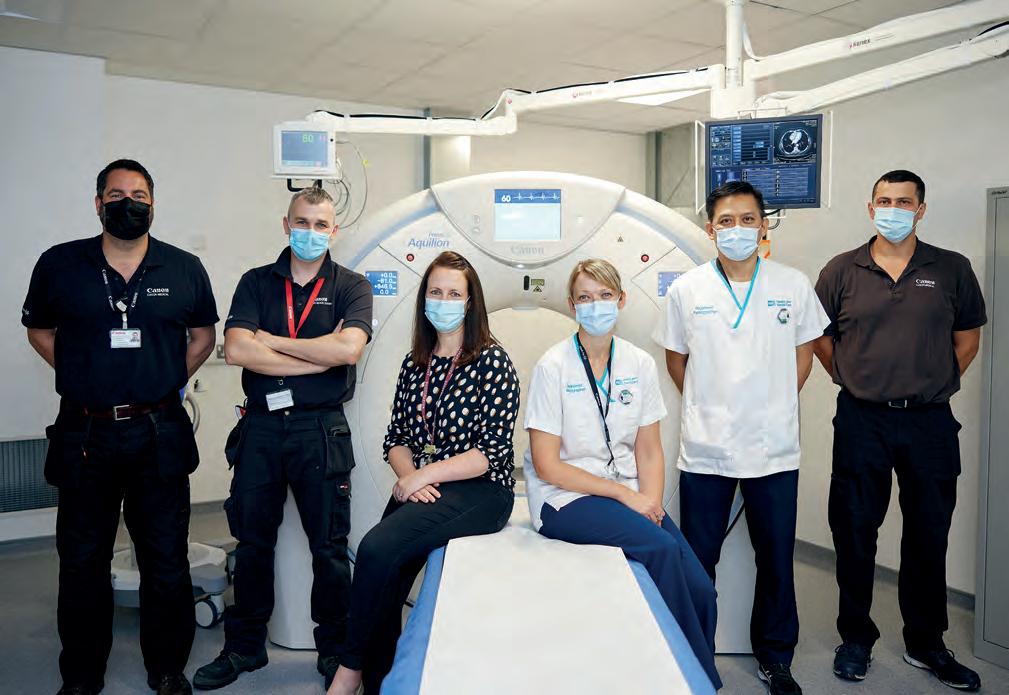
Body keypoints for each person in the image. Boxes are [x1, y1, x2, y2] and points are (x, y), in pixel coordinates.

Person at [22, 159, 218, 695]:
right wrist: (82, 375)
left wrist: (163, 379)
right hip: (86, 434)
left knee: (166, 558)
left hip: (159, 432)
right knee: (82, 561)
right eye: (115, 195)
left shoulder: (184, 268)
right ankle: (82, 676)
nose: (127, 203)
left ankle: (167, 669)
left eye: (138, 195)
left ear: (153, 204)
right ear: (98, 204)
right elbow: (39, 330)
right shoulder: (60, 265)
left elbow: (203, 337)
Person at [192, 187, 372, 691]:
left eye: (321, 224)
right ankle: (244, 646)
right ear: (286, 224)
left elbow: (349, 350)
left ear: (334, 231)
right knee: (252, 542)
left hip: (320, 429)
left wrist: (271, 342)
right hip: (263, 428)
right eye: (302, 222)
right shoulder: (256, 282)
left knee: (329, 547)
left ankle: (335, 650)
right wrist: (316, 356)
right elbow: (236, 350)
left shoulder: (353, 286)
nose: (310, 232)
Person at [654, 181, 829, 695]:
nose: (738, 229)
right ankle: (694, 652)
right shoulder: (687, 290)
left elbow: (804, 352)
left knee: (775, 559)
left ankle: (776, 659)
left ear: (763, 226)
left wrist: (774, 401)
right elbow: (676, 359)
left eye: (747, 219)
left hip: (774, 449)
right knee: (698, 558)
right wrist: (711, 403)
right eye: (726, 221)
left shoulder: (792, 284)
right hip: (706, 450)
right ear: (711, 230)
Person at [814, 170, 985, 691]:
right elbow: (820, 338)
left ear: (920, 210)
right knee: (854, 530)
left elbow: (967, 340)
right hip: (862, 420)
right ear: (871, 209)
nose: (893, 209)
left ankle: (926, 642)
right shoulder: (841, 270)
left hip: (929, 422)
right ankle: (855, 638)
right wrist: (852, 379)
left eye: (903, 202)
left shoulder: (951, 268)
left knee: (929, 533)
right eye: (884, 201)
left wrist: (930, 385)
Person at [524, 258, 721, 690]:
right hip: (565, 499)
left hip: (627, 493)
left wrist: (650, 502)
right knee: (660, 549)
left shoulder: (639, 363)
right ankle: (696, 682)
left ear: (621, 300)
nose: (595, 305)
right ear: (572, 305)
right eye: (585, 297)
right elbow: (547, 464)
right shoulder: (553, 366)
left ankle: (696, 673)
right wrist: (624, 496)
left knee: (702, 589)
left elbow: (648, 449)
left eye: (604, 295)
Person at [327, 251, 518, 695]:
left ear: (470, 303)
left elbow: (490, 453)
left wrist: (421, 478)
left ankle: (348, 673)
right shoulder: (416, 363)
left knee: (375, 548)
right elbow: (395, 438)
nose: (443, 300)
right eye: (436, 292)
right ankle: (378, 680)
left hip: (481, 490)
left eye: (454, 293)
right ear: (424, 299)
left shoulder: (492, 361)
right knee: (385, 571)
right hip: (424, 484)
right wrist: (411, 475)